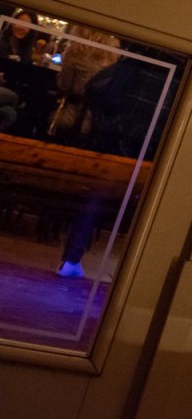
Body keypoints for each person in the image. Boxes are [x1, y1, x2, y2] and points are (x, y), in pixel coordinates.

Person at [51, 24, 121, 278]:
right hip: (101, 125)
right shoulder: (114, 53)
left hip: (75, 120)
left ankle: (51, 211)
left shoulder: (75, 51)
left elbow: (64, 85)